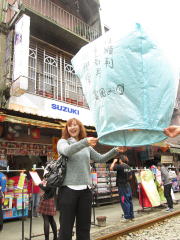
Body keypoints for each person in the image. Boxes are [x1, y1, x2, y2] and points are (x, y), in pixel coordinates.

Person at [57, 117, 124, 240]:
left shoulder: (86, 145)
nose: (72, 127)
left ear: (80, 127)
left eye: (75, 125)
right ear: (66, 129)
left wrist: (115, 150)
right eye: (70, 125)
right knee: (66, 228)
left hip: (85, 191)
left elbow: (100, 158)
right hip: (68, 190)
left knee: (84, 228)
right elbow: (66, 151)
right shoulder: (63, 142)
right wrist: (84, 142)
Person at [110, 155, 134, 222]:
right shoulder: (128, 167)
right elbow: (131, 177)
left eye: (119, 159)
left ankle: (127, 217)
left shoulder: (120, 166)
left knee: (124, 200)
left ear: (120, 160)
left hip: (122, 185)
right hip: (128, 185)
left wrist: (114, 161)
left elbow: (111, 168)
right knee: (129, 200)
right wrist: (126, 180)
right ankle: (131, 216)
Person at [0, 167, 7, 232]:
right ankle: (1, 226)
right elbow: (4, 186)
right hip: (2, 194)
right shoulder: (3, 175)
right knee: (0, 210)